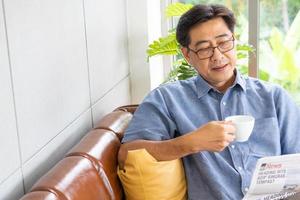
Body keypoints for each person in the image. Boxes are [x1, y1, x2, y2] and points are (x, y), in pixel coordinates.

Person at [118, 4, 300, 200]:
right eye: (204, 49)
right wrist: (190, 143)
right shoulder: (168, 99)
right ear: (187, 55)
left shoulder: (274, 97)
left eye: (224, 43)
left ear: (234, 41)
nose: (218, 56)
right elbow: (127, 153)